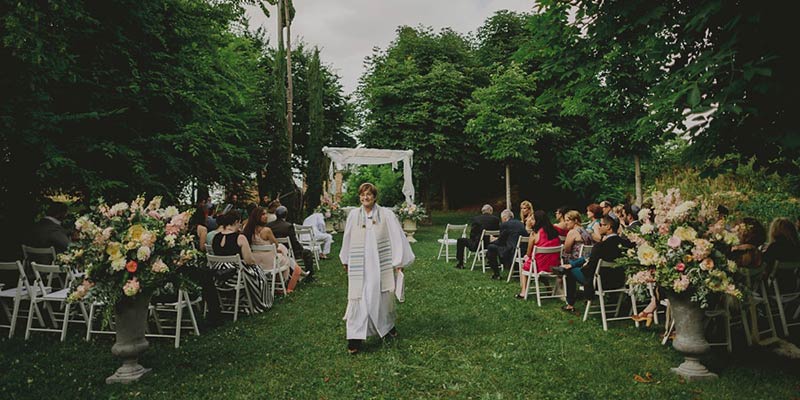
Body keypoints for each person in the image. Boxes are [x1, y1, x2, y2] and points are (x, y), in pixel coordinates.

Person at [340, 183, 414, 354]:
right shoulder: (353, 215)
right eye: (362, 195)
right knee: (357, 298)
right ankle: (355, 338)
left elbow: (397, 237)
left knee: (379, 295)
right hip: (359, 263)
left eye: (369, 194)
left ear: (374, 197)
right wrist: (345, 259)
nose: (365, 198)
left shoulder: (386, 215)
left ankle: (387, 326)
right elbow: (348, 237)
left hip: (379, 264)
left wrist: (398, 261)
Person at [559, 216, 629, 313]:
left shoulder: (600, 246)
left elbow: (589, 269)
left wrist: (582, 267)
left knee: (570, 271)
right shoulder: (625, 244)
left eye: (601, 224)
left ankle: (570, 304)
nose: (598, 227)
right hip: (619, 281)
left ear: (608, 227)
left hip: (600, 283)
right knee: (574, 266)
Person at [210, 211, 273, 312]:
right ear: (236, 222)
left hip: (218, 276)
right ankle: (261, 302)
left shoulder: (215, 237)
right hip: (234, 276)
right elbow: (249, 261)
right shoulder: (240, 238)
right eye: (239, 222)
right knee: (258, 272)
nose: (240, 225)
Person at [242, 207, 302, 293]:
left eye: (266, 214)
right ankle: (286, 280)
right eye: (263, 214)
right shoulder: (266, 230)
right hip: (269, 263)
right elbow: (276, 244)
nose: (266, 216)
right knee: (282, 250)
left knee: (281, 250)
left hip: (255, 260)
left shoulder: (247, 229)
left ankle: (296, 272)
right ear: (257, 216)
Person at [517, 210, 561, 298]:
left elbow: (529, 253)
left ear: (538, 221)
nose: (531, 220)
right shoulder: (554, 232)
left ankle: (523, 291)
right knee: (538, 262)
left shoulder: (535, 234)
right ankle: (548, 288)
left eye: (533, 219)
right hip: (554, 266)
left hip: (539, 266)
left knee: (526, 264)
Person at [267, 206, 315, 281]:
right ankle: (309, 276)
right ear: (286, 214)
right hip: (289, 251)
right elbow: (293, 241)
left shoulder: (269, 226)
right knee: (307, 253)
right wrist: (301, 249)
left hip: (274, 251)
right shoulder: (288, 226)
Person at [453, 205, 500, 269]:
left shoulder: (476, 219)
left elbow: (472, 234)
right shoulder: (496, 219)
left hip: (478, 245)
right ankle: (490, 260)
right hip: (492, 244)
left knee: (460, 240)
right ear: (490, 211)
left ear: (482, 211)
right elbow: (497, 233)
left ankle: (460, 263)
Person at [485, 209, 527, 281]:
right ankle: (516, 272)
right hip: (523, 251)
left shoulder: (505, 225)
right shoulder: (520, 223)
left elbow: (501, 241)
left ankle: (496, 274)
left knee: (491, 247)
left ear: (504, 218)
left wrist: (493, 241)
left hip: (512, 252)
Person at [762, 218, 800, 292]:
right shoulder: (797, 247)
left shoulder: (774, 247)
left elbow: (763, 265)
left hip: (775, 288)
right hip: (793, 287)